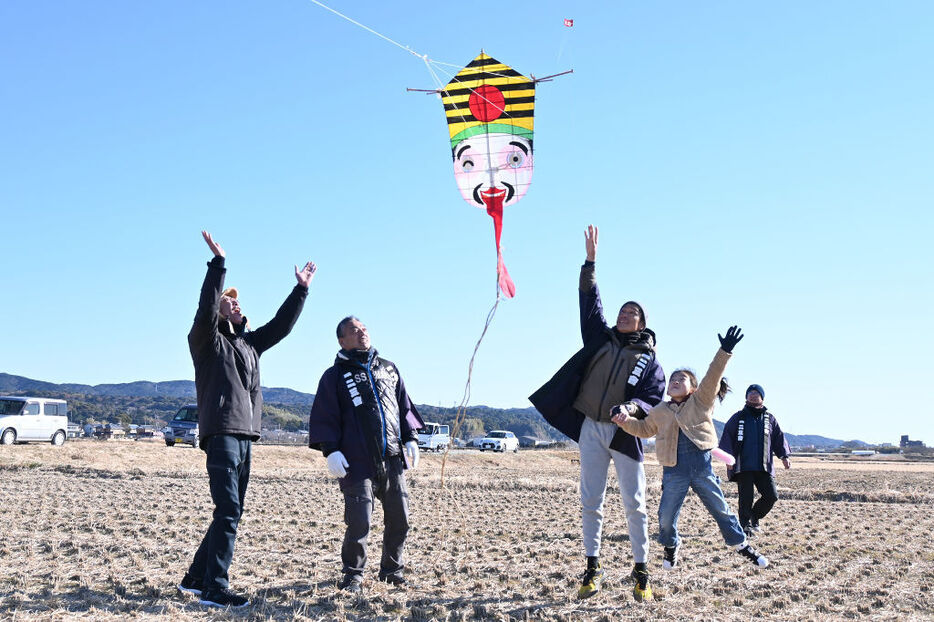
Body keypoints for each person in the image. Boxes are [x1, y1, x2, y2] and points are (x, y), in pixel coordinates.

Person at [179, 231, 316, 609]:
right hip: (221, 431)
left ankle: (195, 578)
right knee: (228, 510)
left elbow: (281, 326)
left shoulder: (249, 345)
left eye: (237, 301)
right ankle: (214, 587)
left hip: (245, 435)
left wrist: (300, 290)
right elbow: (206, 307)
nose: (234, 304)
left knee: (231, 510)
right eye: (228, 301)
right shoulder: (206, 341)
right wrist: (218, 266)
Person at [530, 225, 666, 601]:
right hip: (591, 427)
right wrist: (590, 262)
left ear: (643, 323)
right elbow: (589, 300)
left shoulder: (650, 361)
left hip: (625, 434)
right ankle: (592, 567)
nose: (624, 314)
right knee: (590, 500)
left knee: (634, 503)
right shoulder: (600, 339)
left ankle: (641, 572)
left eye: (632, 312)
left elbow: (651, 396)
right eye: (622, 310)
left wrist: (631, 408)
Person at [613, 326, 770, 571]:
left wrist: (724, 351)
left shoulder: (701, 401)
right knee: (665, 516)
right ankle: (671, 546)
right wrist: (626, 422)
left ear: (694, 388)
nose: (675, 382)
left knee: (721, 509)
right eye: (672, 380)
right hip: (673, 471)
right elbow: (644, 429)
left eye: (681, 379)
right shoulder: (660, 410)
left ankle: (741, 544)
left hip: (701, 467)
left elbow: (712, 375)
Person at [308, 316, 424, 593]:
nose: (361, 333)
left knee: (400, 518)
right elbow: (325, 414)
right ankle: (353, 575)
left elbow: (403, 405)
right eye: (353, 330)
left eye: (363, 329)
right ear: (342, 340)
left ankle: (392, 570)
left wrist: (411, 438)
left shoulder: (389, 368)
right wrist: (330, 450)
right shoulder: (334, 376)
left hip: (393, 458)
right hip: (355, 462)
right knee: (359, 521)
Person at [719, 384, 791, 537]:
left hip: (764, 466)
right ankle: (745, 527)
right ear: (746, 397)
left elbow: (778, 438)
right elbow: (727, 438)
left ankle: (754, 517)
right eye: (750, 392)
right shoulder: (738, 417)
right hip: (743, 466)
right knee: (746, 498)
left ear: (762, 397)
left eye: (756, 393)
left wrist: (784, 456)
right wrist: (727, 459)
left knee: (771, 496)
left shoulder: (769, 418)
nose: (753, 395)